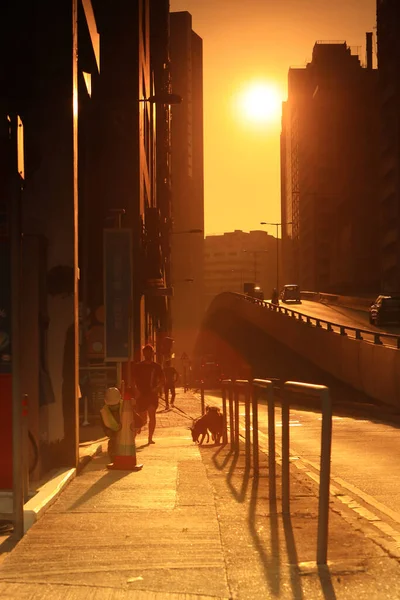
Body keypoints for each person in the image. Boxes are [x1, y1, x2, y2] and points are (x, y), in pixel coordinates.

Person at [131, 344, 164, 445]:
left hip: (152, 395)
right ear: (143, 353)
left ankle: (150, 438)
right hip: (141, 394)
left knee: (152, 414)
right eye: (146, 352)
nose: (148, 354)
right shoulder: (138, 366)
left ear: (152, 353)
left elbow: (162, 380)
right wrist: (136, 391)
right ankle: (134, 437)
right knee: (142, 419)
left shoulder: (156, 367)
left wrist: (157, 389)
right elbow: (133, 380)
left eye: (150, 352)